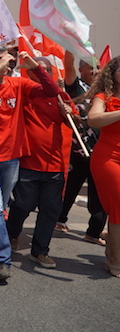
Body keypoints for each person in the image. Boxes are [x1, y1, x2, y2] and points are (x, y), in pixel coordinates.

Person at [0, 44, 59, 282]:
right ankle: (2, 260)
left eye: (7, 60)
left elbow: (51, 91)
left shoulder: (18, 85)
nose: (5, 63)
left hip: (11, 158)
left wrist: (36, 68)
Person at [6, 58, 74, 269]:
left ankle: (40, 251)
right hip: (29, 161)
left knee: (51, 210)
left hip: (54, 164)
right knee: (22, 205)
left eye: (44, 71)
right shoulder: (26, 93)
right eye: (36, 71)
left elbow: (77, 120)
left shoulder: (61, 97)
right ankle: (11, 235)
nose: (39, 75)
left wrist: (70, 114)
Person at [56, 51, 106, 244]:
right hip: (79, 151)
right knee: (70, 189)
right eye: (91, 67)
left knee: (100, 194)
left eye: (99, 68)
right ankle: (60, 219)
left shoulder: (107, 92)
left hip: (102, 151)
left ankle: (94, 232)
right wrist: (71, 43)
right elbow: (67, 66)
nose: (95, 71)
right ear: (81, 69)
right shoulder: (77, 88)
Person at [86, 56, 120, 277]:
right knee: (119, 207)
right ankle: (115, 261)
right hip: (109, 157)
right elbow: (93, 119)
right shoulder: (103, 97)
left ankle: (112, 249)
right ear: (113, 73)